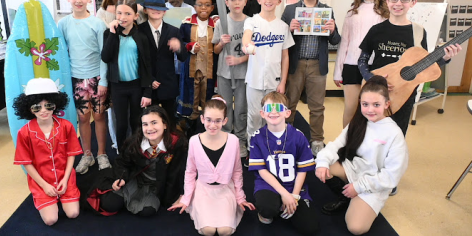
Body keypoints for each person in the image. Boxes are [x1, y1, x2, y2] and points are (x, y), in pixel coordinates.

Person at [357, 0, 460, 141]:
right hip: (374, 92)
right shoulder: (376, 30)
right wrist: (372, 78)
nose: (399, 3)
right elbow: (362, 60)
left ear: (413, 3)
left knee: (396, 136)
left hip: (404, 94)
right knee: (367, 134)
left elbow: (424, 67)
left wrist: (445, 58)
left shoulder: (419, 33)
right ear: (387, 1)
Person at [316, 76, 408, 233]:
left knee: (356, 228)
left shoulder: (394, 134)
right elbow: (337, 145)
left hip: (374, 183)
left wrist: (359, 187)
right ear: (360, 103)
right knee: (324, 168)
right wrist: (322, 162)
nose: (370, 109)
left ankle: (355, 198)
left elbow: (391, 176)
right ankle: (346, 196)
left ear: (387, 104)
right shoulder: (359, 121)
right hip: (355, 170)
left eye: (376, 104)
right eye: (365, 104)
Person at [169, 97, 253, 235]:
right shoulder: (194, 141)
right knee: (207, 230)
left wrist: (240, 197)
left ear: (224, 121)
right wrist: (186, 198)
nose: (212, 125)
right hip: (204, 190)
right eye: (209, 120)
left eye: (218, 121)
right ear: (202, 119)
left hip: (225, 190)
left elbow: (237, 172)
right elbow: (190, 172)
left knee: (225, 231)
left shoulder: (233, 141)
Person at [282, 0, 340, 154]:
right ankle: (286, 136)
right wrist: (289, 29)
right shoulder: (290, 10)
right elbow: (280, 40)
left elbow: (336, 40)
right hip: (295, 63)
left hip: (317, 64)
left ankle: (316, 140)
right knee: (289, 103)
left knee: (317, 106)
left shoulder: (326, 10)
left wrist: (332, 30)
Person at [57, 0, 110, 174]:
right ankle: (87, 154)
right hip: (76, 79)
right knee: (83, 118)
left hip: (96, 78)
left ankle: (102, 153)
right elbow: (61, 53)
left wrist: (104, 81)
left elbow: (104, 55)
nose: (78, 0)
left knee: (99, 115)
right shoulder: (62, 24)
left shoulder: (97, 23)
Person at [12, 78, 81, 226]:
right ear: (29, 108)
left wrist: (65, 178)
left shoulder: (66, 126)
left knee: (73, 213)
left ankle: (62, 198)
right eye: (37, 107)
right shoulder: (24, 133)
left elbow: (71, 154)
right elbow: (27, 163)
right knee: (51, 220)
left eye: (48, 106)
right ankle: (45, 200)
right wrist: (44, 185)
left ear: (55, 105)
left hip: (65, 177)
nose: (43, 111)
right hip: (42, 181)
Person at [248, 91, 318, 234]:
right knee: (267, 208)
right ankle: (274, 206)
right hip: (268, 185)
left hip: (293, 185)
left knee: (310, 227)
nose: (273, 112)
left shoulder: (298, 136)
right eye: (269, 109)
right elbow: (261, 171)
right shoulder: (257, 137)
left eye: (279, 108)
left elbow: (302, 169)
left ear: (287, 113)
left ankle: (285, 205)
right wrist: (285, 195)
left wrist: (295, 196)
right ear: (262, 113)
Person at [103, 105, 187, 216]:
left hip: (155, 186)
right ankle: (128, 198)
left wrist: (174, 197)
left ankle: (133, 201)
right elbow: (122, 162)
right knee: (109, 204)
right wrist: (122, 177)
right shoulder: (135, 142)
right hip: (135, 178)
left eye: (154, 123)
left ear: (165, 125)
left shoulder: (177, 144)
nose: (150, 128)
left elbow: (178, 172)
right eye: (145, 124)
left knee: (147, 211)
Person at [336, 0, 388, 128]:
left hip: (374, 66)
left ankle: (370, 147)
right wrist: (338, 71)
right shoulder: (352, 11)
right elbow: (345, 42)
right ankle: (346, 145)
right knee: (350, 109)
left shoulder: (386, 11)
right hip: (351, 65)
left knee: (373, 112)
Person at [242, 0, 294, 138]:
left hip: (274, 80)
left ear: (279, 2)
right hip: (254, 79)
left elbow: (285, 56)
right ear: (259, 0)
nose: (269, 0)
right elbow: (246, 38)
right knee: (255, 116)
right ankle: (253, 149)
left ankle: (269, 146)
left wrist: (283, 82)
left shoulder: (283, 26)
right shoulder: (251, 21)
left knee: (272, 116)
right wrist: (247, 45)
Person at [101, 0, 153, 145]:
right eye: (119, 13)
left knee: (136, 121)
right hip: (118, 86)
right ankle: (122, 153)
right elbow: (105, 57)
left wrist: (147, 91)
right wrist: (112, 33)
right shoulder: (109, 34)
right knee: (121, 123)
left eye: (127, 14)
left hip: (136, 85)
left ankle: (137, 150)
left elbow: (147, 65)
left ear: (135, 16)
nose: (122, 17)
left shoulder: (141, 37)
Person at [140, 0, 185, 126]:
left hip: (168, 84)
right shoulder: (139, 30)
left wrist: (179, 48)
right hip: (148, 85)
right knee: (149, 120)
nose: (156, 11)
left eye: (159, 8)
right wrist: (149, 80)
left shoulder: (174, 31)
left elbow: (183, 57)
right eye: (152, 7)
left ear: (164, 11)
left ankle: (169, 145)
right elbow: (138, 61)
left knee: (169, 120)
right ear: (146, 10)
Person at [213, 0, 250, 148]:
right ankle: (227, 135)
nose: (236, 2)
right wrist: (221, 43)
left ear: (245, 2)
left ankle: (241, 137)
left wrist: (239, 60)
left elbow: (256, 51)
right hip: (224, 73)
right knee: (225, 106)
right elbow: (215, 50)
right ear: (226, 2)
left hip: (244, 73)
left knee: (242, 107)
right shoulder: (221, 22)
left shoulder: (251, 22)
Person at [178, 0, 221, 121]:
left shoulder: (216, 25)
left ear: (212, 7)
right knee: (192, 91)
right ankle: (190, 120)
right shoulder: (186, 23)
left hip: (209, 66)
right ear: (194, 7)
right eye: (200, 5)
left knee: (206, 92)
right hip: (191, 66)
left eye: (207, 5)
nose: (204, 8)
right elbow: (179, 42)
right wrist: (189, 46)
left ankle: (205, 119)